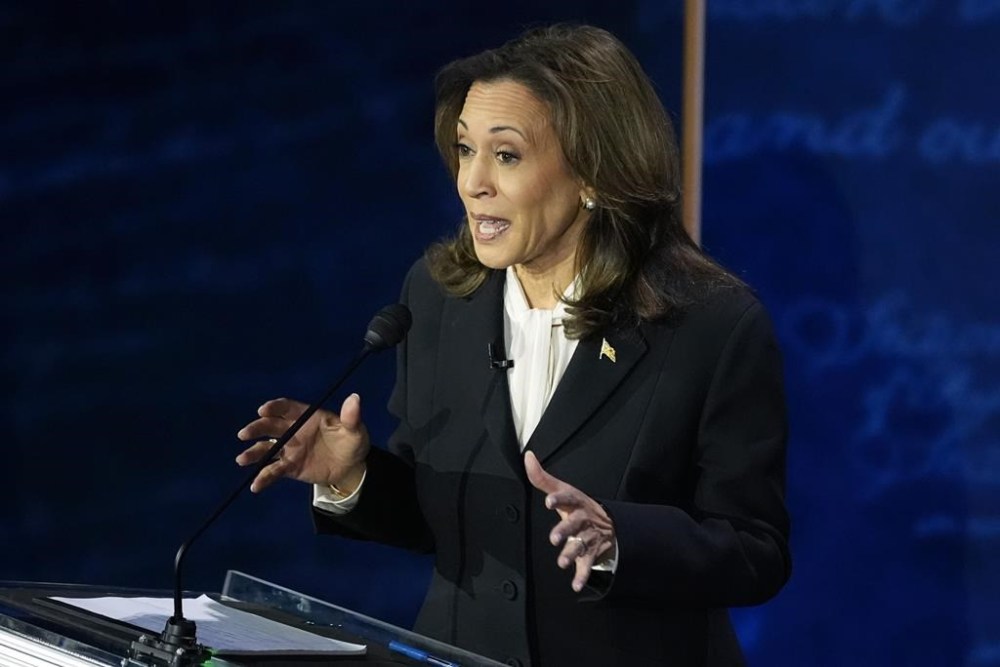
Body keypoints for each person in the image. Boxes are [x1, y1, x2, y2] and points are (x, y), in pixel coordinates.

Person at [236, 24, 790, 667]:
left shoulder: (707, 324)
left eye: (506, 156)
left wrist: (621, 540)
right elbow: (437, 518)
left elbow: (757, 551)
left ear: (594, 173)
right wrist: (352, 476)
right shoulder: (439, 296)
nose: (472, 182)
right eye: (464, 149)